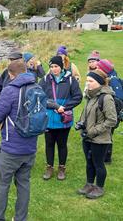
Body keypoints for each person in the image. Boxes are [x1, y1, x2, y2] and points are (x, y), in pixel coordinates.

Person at [0, 60, 38, 221]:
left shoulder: (10, 90)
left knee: (2, 184)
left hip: (11, 148)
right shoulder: (37, 87)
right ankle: (21, 218)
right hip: (30, 145)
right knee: (24, 184)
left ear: (10, 74)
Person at [39, 56, 82, 180]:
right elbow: (39, 96)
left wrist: (65, 107)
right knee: (49, 144)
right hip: (48, 118)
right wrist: (53, 105)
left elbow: (78, 97)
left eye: (56, 66)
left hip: (64, 119)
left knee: (62, 144)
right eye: (51, 67)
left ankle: (62, 168)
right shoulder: (45, 79)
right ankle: (49, 167)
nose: (54, 69)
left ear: (61, 66)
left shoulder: (70, 80)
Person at [76, 69, 116, 199]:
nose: (87, 84)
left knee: (98, 163)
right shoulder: (91, 95)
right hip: (87, 136)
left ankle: (99, 187)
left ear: (99, 82)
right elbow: (86, 112)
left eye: (90, 81)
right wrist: (81, 123)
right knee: (89, 162)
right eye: (87, 81)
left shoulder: (106, 97)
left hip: (100, 139)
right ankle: (89, 184)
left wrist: (94, 130)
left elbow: (111, 120)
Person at [96, 59, 122, 163]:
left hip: (111, 113)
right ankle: (104, 157)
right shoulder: (108, 77)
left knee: (107, 135)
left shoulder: (113, 80)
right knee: (106, 134)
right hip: (108, 111)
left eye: (98, 67)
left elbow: (119, 97)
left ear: (103, 69)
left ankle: (106, 158)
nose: (97, 68)